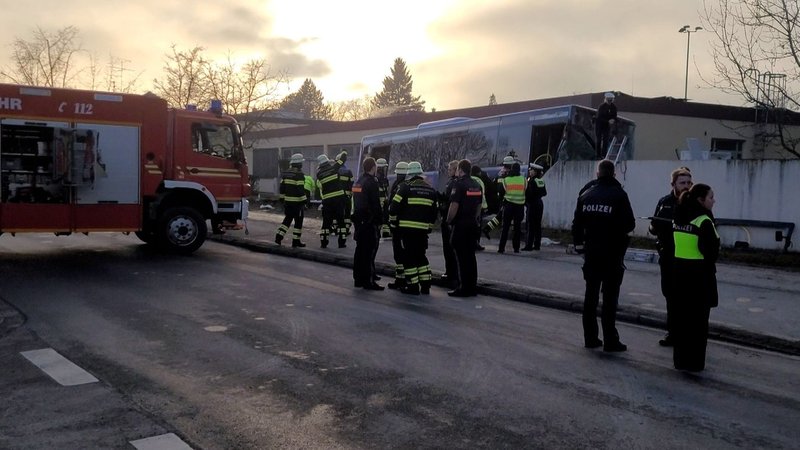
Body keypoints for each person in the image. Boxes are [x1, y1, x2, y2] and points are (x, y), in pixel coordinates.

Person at [572, 159, 635, 352]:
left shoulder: (586, 194)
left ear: (597, 174)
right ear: (614, 174)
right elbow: (630, 224)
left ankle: (590, 337)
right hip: (612, 253)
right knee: (609, 298)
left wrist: (580, 246)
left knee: (590, 296)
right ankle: (610, 339)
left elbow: (576, 224)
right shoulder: (619, 194)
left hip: (591, 253)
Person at [672, 183, 719, 372]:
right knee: (698, 325)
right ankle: (695, 363)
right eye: (711, 197)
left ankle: (680, 361)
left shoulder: (679, 216)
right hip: (699, 278)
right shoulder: (704, 221)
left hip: (679, 275)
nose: (713, 201)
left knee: (681, 322)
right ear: (701, 200)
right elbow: (711, 252)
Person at [649, 167, 693, 346]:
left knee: (688, 297)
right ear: (673, 184)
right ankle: (672, 332)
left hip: (689, 258)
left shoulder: (695, 202)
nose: (686, 186)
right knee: (670, 295)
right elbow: (654, 226)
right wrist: (655, 228)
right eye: (682, 182)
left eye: (689, 182)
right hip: (668, 255)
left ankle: (688, 333)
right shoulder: (664, 202)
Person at [389, 161, 438, 295]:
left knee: (409, 258)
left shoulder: (405, 187)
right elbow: (434, 213)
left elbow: (393, 208)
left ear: (409, 174)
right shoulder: (431, 190)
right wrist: (428, 227)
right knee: (421, 257)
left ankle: (412, 286)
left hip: (407, 231)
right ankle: (426, 286)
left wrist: (393, 225)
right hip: (422, 231)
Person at [446, 159, 483, 297]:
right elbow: (479, 205)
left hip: (460, 225)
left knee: (461, 258)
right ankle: (472, 286)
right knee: (470, 256)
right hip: (472, 225)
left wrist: (449, 220)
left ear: (460, 170)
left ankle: (463, 287)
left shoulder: (459, 184)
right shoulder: (476, 184)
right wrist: (476, 218)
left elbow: (454, 205)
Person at [351, 157, 384, 291]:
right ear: (372, 167)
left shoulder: (359, 181)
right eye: (375, 166)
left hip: (359, 220)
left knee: (359, 251)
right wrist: (379, 220)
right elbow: (375, 204)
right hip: (369, 220)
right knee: (369, 252)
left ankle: (358, 279)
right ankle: (368, 281)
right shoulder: (372, 182)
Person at [275, 153, 308, 248]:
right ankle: (296, 241)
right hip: (297, 204)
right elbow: (300, 189)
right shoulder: (299, 175)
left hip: (288, 202)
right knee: (298, 222)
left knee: (287, 220)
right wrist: (305, 201)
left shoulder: (286, 174)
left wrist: (282, 198)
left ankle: (278, 237)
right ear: (299, 164)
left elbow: (282, 187)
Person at [315, 154, 348, 248]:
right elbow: (343, 159)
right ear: (327, 162)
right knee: (341, 221)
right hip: (338, 199)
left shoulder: (319, 174)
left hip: (327, 201)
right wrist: (344, 152)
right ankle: (341, 243)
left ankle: (324, 243)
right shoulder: (334, 168)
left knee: (326, 222)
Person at [482, 155, 515, 239]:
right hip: (506, 199)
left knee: (499, 217)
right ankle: (489, 229)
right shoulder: (507, 175)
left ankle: (487, 229)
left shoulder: (500, 173)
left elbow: (495, 185)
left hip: (501, 199)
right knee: (502, 217)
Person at [387, 162, 408, 290]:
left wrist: (391, 223)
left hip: (398, 226)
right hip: (405, 225)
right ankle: (401, 279)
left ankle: (401, 280)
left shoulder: (398, 186)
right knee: (403, 254)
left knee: (399, 254)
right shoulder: (406, 185)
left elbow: (392, 206)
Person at [497, 162, 526, 253]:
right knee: (517, 228)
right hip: (519, 206)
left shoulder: (506, 180)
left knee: (505, 227)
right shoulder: (524, 180)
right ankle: (516, 248)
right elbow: (526, 192)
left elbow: (501, 193)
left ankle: (501, 248)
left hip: (508, 206)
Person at [522, 163, 547, 251]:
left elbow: (528, 194)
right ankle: (537, 245)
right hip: (539, 203)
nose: (529, 171)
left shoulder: (531, 181)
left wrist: (526, 201)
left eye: (531, 170)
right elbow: (544, 193)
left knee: (530, 225)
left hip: (532, 204)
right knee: (537, 225)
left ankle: (528, 245)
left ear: (535, 172)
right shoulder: (541, 181)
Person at [337, 150, 355, 237]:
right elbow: (352, 183)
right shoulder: (348, 171)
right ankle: (347, 229)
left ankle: (337, 228)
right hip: (347, 196)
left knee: (339, 212)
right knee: (347, 212)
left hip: (337, 196)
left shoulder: (335, 171)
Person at [470, 165, 488, 251]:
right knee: (477, 226)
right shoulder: (479, 181)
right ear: (478, 172)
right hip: (478, 208)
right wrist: (484, 207)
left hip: (468, 207)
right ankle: (476, 244)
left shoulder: (468, 179)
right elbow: (481, 195)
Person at [595, 92, 618, 159]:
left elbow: (615, 116)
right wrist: (608, 121)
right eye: (608, 100)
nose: (609, 101)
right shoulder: (601, 107)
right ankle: (598, 155)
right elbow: (599, 117)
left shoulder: (614, 107)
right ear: (606, 99)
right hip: (599, 125)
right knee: (599, 140)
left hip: (606, 126)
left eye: (611, 100)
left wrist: (613, 120)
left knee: (606, 140)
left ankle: (604, 155)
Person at [376, 158, 391, 238]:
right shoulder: (378, 178)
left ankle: (385, 231)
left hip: (383, 200)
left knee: (385, 216)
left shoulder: (384, 178)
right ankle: (380, 231)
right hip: (380, 201)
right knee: (382, 216)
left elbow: (387, 190)